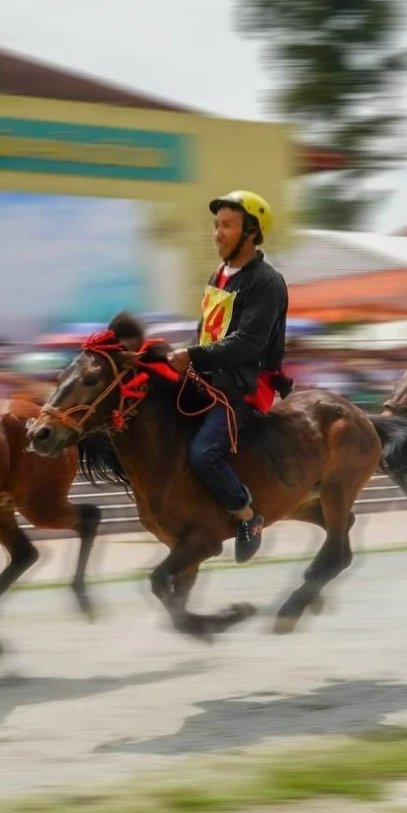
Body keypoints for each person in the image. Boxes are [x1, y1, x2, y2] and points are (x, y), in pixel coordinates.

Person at [168, 190, 290, 564]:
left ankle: (247, 515)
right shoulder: (217, 275)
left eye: (227, 225)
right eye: (216, 225)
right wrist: (182, 357)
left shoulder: (267, 282)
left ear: (250, 232)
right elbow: (206, 331)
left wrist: (193, 356)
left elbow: (248, 343)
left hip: (244, 386)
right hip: (208, 377)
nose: (217, 233)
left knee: (204, 453)